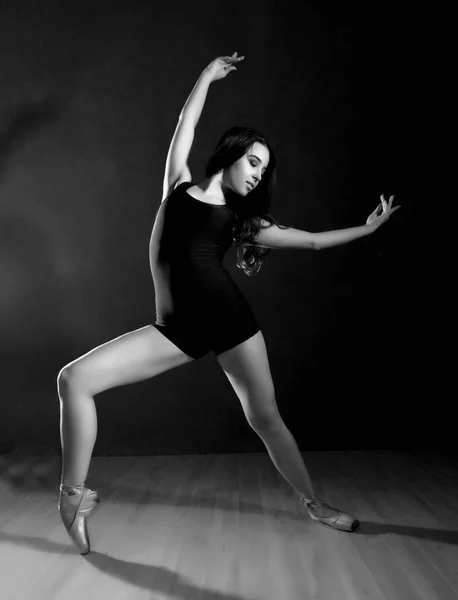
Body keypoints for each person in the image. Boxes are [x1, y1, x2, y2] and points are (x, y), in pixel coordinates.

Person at [57, 52, 400, 555]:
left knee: (265, 418)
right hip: (175, 328)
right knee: (74, 379)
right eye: (254, 163)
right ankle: (72, 497)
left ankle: (314, 502)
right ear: (231, 155)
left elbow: (310, 241)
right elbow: (185, 124)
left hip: (230, 322)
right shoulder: (177, 186)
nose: (259, 175)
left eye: (265, 170)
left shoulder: (244, 222)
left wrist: (368, 228)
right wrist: (206, 78)